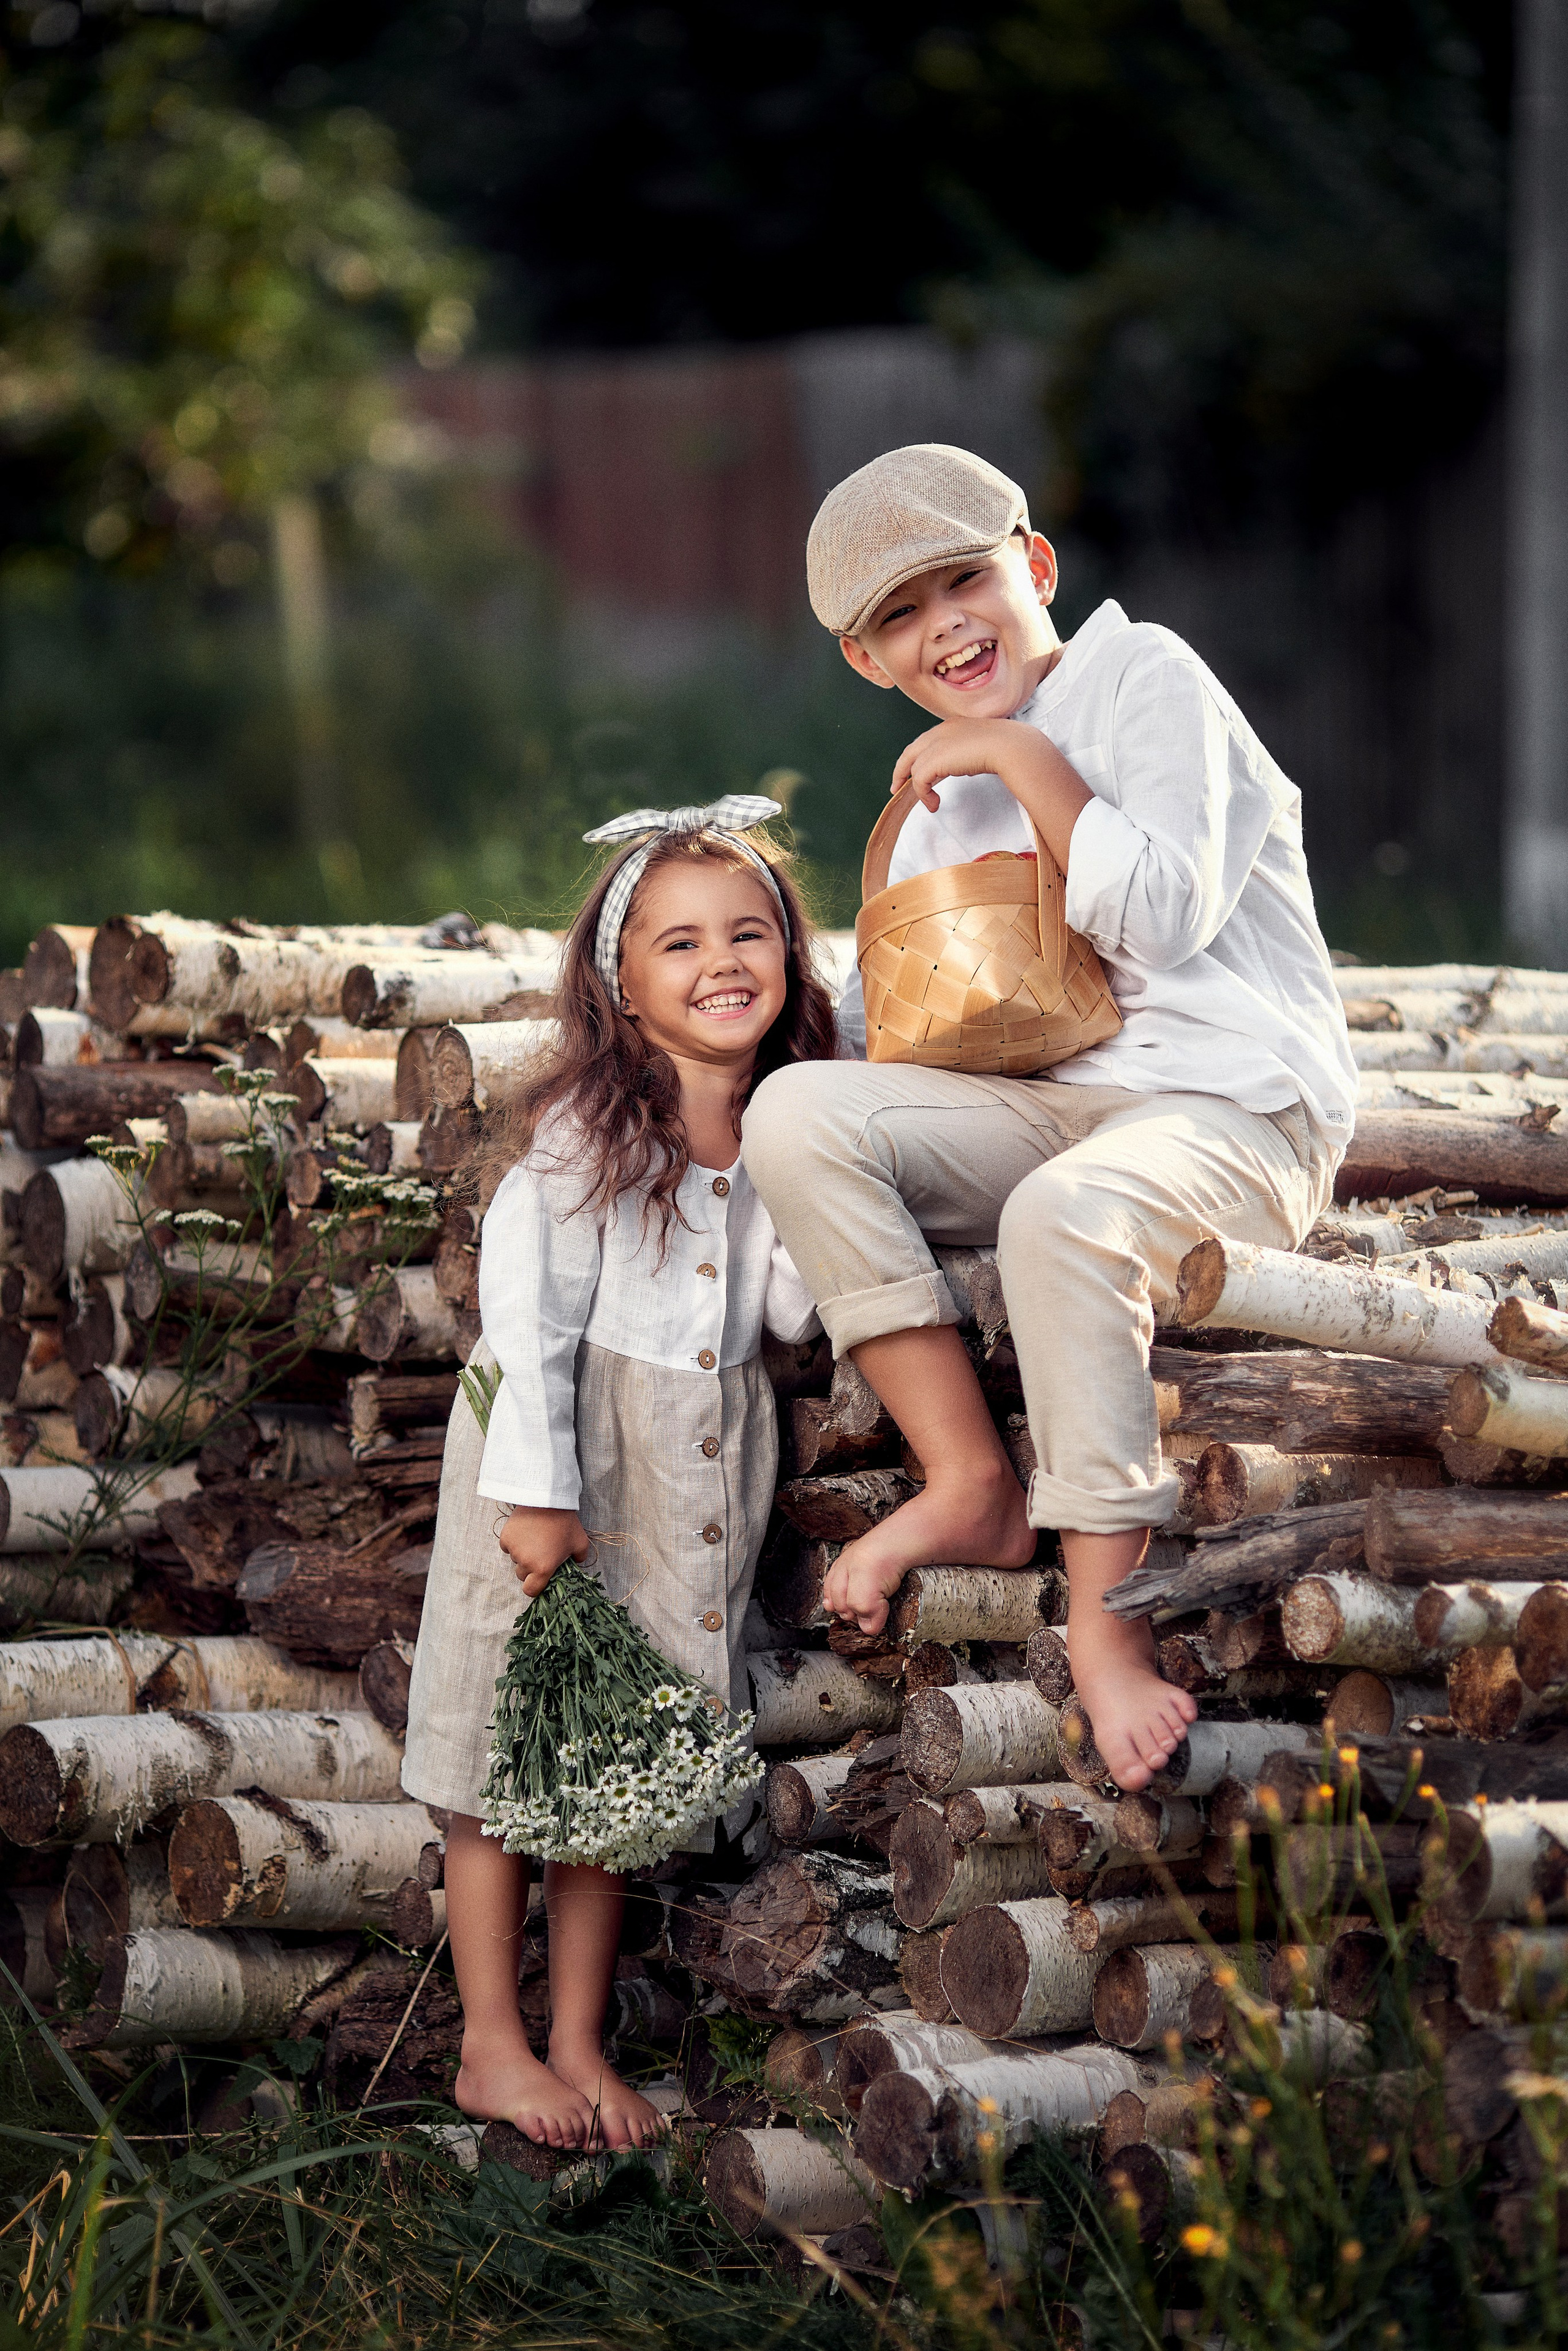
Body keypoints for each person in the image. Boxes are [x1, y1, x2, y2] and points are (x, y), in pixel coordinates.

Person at [741, 444, 1357, 1796]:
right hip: (1049, 1107)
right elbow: (898, 1033)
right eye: (898, 615)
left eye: (962, 581)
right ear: (862, 658)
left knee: (1060, 1216)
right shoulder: (927, 801)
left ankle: (1107, 1618)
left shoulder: (1149, 680)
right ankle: (967, 1478)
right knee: (796, 1109)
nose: (943, 627)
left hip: (1232, 1106)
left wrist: (1018, 755)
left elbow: (1158, 916)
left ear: (1034, 567)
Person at [402, 797, 835, 2150]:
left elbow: (776, 1313)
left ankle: (578, 2043)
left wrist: (838, 1197)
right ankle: (489, 2040)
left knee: (607, 1761)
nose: (723, 961)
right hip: (565, 1456)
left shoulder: (777, 1123)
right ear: (620, 982)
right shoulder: (588, 1131)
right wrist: (535, 1492)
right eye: (681, 942)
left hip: (688, 1466)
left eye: (749, 932)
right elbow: (524, 1316)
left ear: (790, 956)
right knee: (502, 1744)